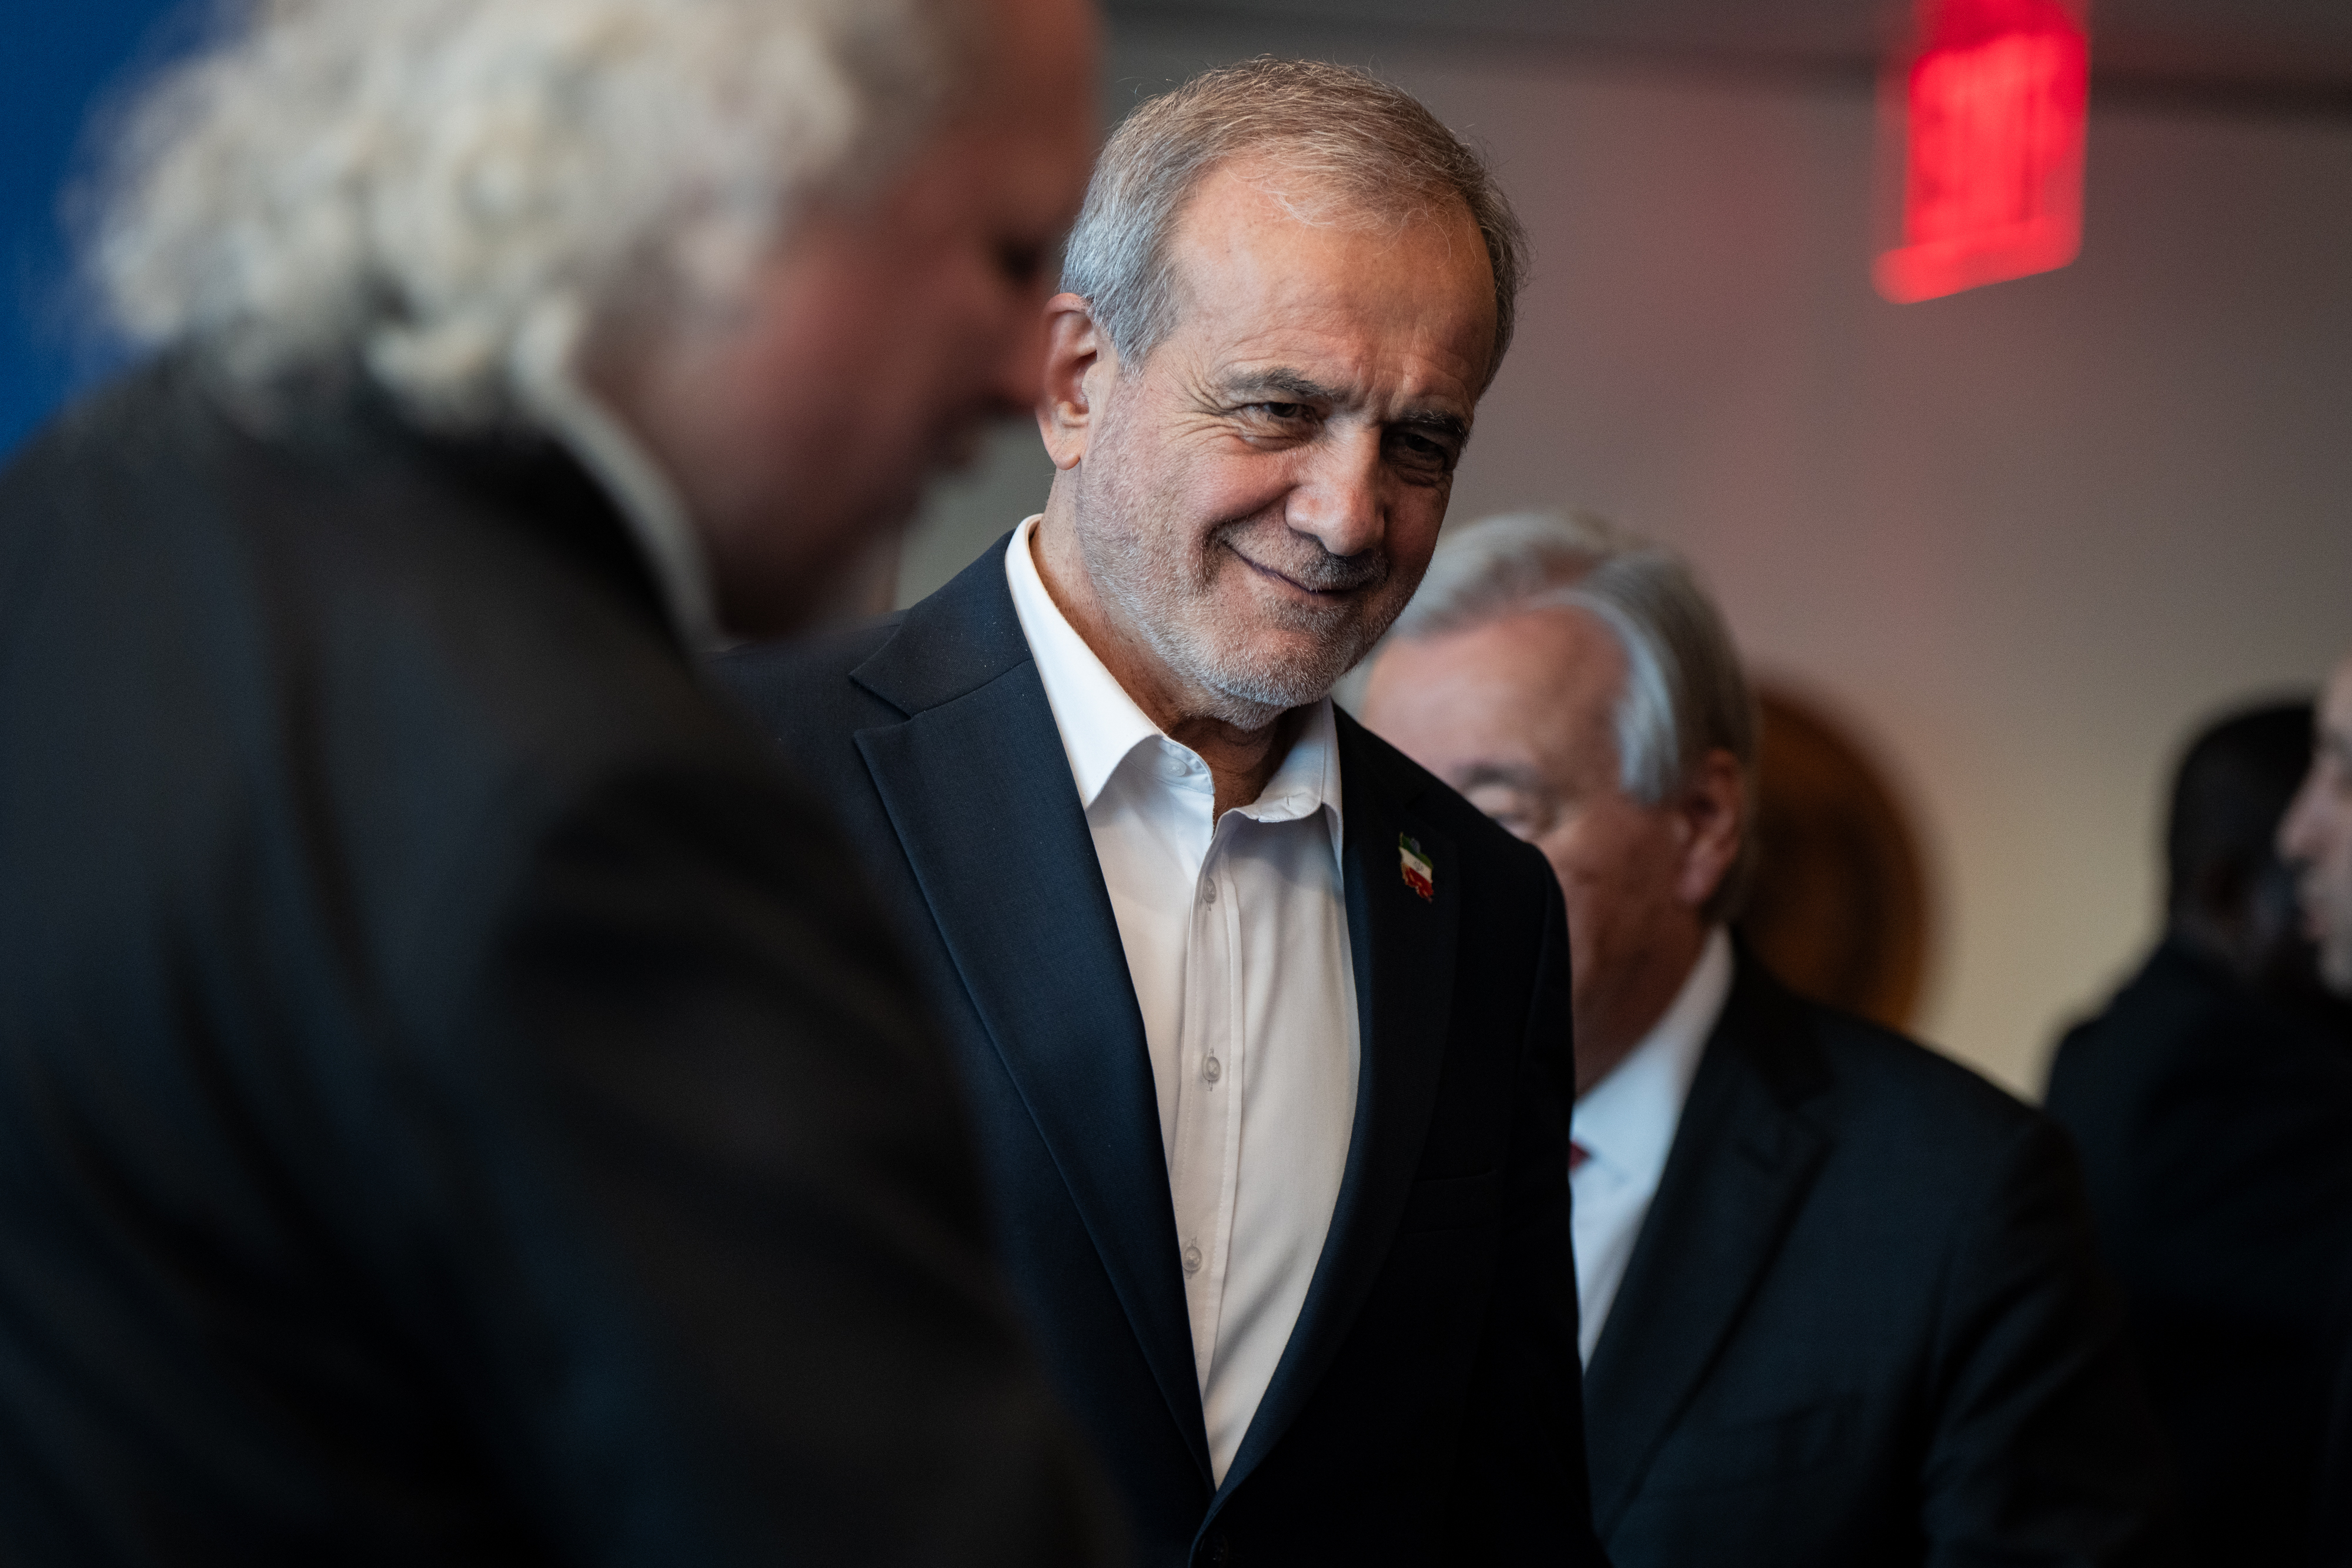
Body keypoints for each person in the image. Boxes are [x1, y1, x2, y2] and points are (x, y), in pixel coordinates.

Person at [0, 0, 1114, 1562]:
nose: (1020, 375)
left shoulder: (104, 496)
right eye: (1004, 255)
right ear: (734, 181)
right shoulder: (610, 813)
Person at [721, 59, 1605, 1568]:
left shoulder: (1480, 905)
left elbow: (1505, 1498)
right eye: (1277, 408)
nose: (1347, 513)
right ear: (1076, 383)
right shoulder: (742, 774)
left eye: (1420, 441)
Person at [1358, 511, 2173, 1568]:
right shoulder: (1317, 1139)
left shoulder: (1958, 1198)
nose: (1426, 884)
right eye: (1401, 826)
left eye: (1499, 816)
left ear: (1702, 822)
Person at [2047, 691, 2352, 1567]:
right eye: (2306, 880)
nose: (2315, 850)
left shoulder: (2116, 1045)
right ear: (2227, 890)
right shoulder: (2200, 1084)